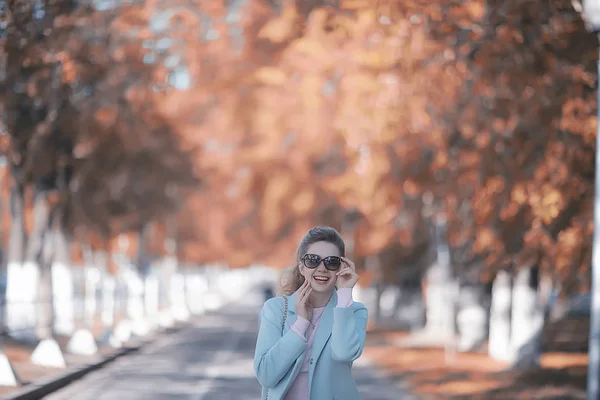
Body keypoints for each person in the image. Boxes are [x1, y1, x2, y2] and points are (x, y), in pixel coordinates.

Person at [254, 226, 368, 400]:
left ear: (341, 267)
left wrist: (345, 294)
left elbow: (344, 353)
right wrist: (300, 325)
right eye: (313, 260)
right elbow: (266, 375)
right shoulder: (276, 309)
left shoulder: (354, 312)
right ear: (302, 267)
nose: (322, 268)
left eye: (331, 262)